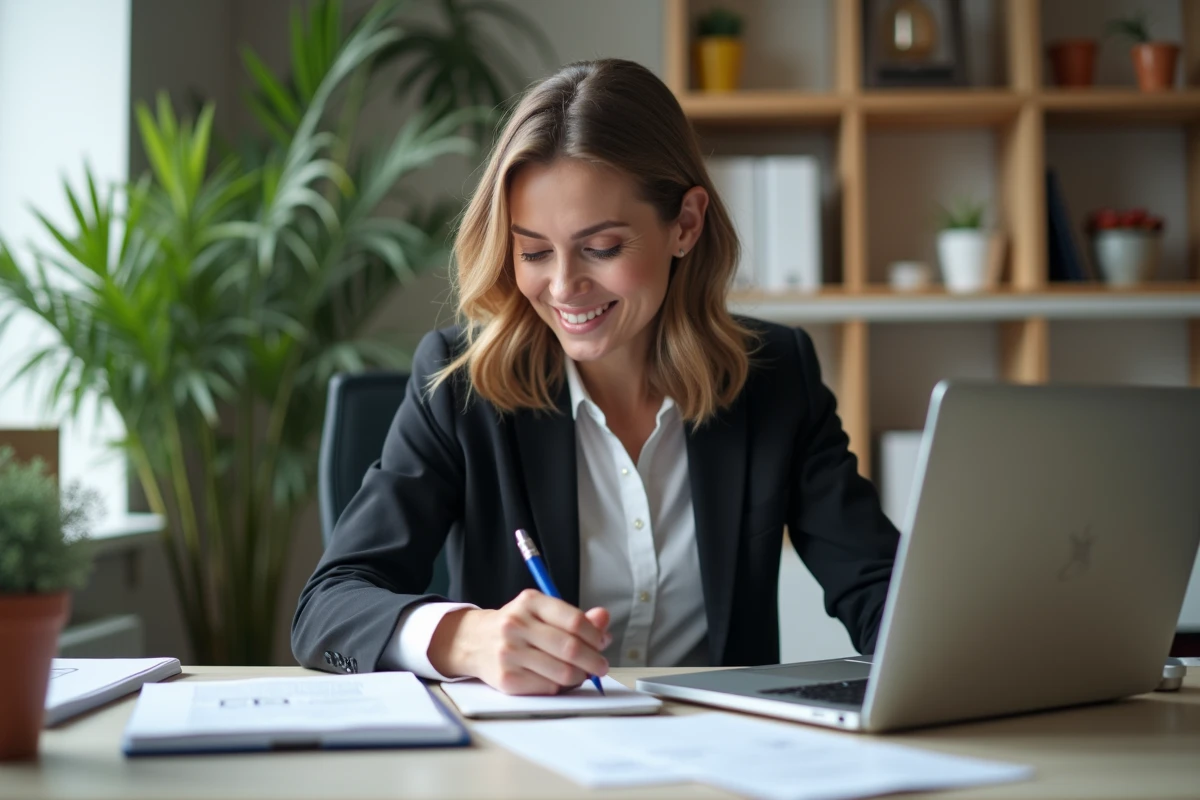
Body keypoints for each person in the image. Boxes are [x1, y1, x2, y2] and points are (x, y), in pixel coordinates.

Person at [292, 58, 899, 694]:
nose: (562, 287)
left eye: (601, 248)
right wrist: (465, 636)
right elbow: (327, 608)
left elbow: (878, 587)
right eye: (532, 252)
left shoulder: (775, 377)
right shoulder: (463, 387)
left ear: (685, 225)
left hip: (719, 762)